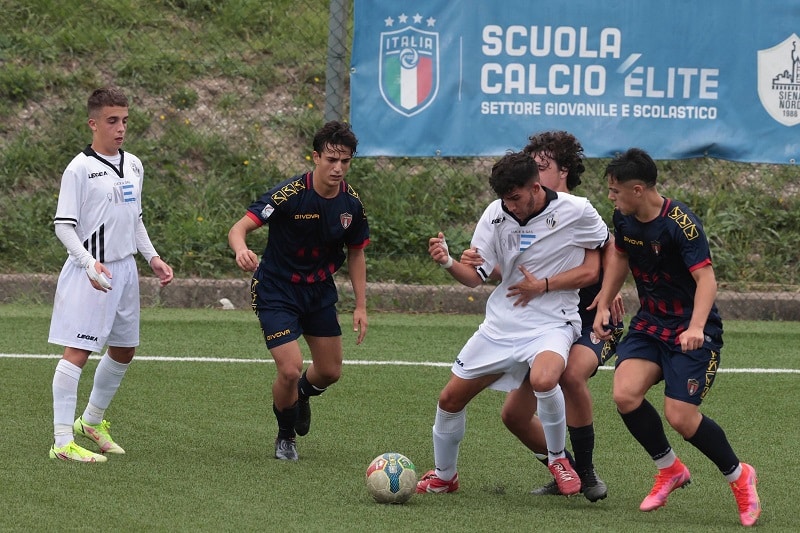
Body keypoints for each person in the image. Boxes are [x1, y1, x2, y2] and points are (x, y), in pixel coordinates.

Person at [416, 151, 609, 496]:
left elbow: (603, 258)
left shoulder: (577, 210)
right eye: (505, 199)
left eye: (516, 198)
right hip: (501, 326)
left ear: (535, 188)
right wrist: (447, 262)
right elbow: (475, 276)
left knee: (545, 378)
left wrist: (604, 294)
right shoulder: (495, 214)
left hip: (553, 322)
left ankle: (558, 460)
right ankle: (445, 476)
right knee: (449, 399)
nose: (511, 206)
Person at [592, 148, 761, 526]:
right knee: (625, 394)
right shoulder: (624, 218)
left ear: (638, 189)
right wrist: (604, 302)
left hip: (693, 329)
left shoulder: (681, 224)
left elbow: (707, 280)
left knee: (681, 417)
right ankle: (670, 469)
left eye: (615, 191)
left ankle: (740, 477)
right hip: (651, 324)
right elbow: (620, 256)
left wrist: (697, 327)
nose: (611, 197)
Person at [468, 131, 625, 501]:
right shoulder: (519, 213)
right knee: (513, 416)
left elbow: (611, 249)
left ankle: (587, 472)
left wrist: (609, 293)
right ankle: (564, 468)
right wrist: (477, 264)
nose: (534, 175)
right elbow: (505, 269)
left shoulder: (577, 210)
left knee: (570, 376)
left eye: (542, 167)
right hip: (541, 324)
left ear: (563, 171)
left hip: (589, 317)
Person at [228, 121, 369, 462]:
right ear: (316, 157)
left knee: (330, 371)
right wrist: (241, 249)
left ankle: (301, 395)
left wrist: (361, 305)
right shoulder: (289, 194)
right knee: (290, 369)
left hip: (318, 291)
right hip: (276, 289)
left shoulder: (351, 204)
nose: (338, 168)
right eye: (331, 159)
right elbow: (239, 228)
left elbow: (356, 253)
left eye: (345, 161)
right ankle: (285, 435)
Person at [48, 86, 174, 463]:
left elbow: (135, 218)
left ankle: (91, 422)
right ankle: (61, 442)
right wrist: (88, 263)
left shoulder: (133, 164)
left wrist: (152, 257)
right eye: (112, 121)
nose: (120, 128)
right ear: (93, 123)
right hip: (92, 272)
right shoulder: (79, 168)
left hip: (125, 270)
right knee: (78, 351)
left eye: (125, 121)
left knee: (123, 349)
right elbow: (63, 226)